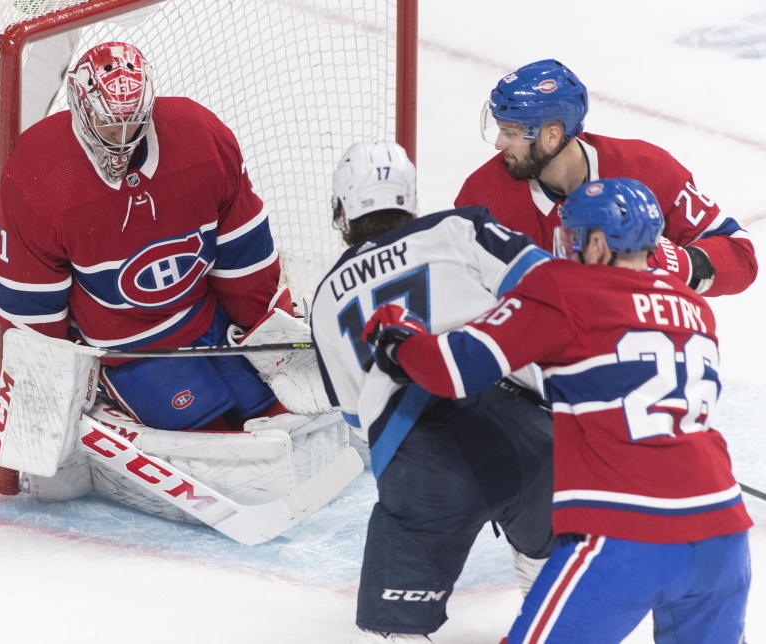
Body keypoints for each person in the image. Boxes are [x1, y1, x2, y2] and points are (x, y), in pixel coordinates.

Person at [365, 177, 752, 643]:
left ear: (594, 242)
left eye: (572, 234)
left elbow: (453, 369)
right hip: (723, 533)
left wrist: (399, 338)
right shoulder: (693, 306)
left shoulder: (564, 287)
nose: (564, 243)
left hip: (626, 533)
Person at [310, 141, 557, 642]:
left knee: (398, 630)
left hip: (418, 454)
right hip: (523, 428)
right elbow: (548, 287)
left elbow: (357, 419)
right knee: (552, 575)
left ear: (342, 211)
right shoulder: (460, 227)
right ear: (408, 199)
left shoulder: (326, 296)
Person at [0, 41, 289, 433]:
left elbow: (242, 246)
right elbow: (27, 298)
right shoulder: (40, 174)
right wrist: (48, 377)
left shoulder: (200, 136)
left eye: (136, 121)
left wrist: (262, 320)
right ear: (80, 107)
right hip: (129, 348)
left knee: (271, 407)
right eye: (111, 124)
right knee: (207, 428)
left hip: (209, 319)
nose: (124, 139)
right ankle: (114, 390)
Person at [456, 58, 757, 297]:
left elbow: (740, 256)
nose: (499, 144)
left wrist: (665, 263)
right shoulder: (482, 195)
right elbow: (457, 287)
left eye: (511, 133)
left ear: (551, 136)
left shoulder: (647, 169)